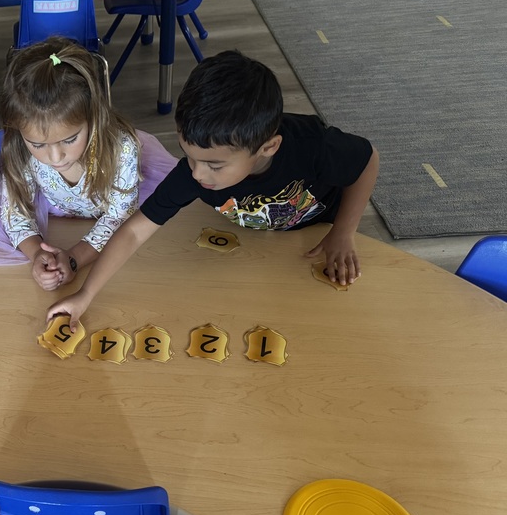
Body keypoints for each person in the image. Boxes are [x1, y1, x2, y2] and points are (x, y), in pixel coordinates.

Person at [48, 49, 380, 329]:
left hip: (319, 234)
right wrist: (85, 295)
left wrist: (344, 232)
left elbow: (368, 160)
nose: (197, 173)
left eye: (214, 165)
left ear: (269, 147)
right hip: (259, 251)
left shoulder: (311, 146)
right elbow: (135, 232)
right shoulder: (192, 172)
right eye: (189, 156)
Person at [0, 36, 177, 290]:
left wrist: (74, 258)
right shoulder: (19, 149)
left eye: (70, 139)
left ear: (94, 115)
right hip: (53, 216)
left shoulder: (121, 150)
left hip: (115, 217)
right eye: (38, 145)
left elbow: (119, 217)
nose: (56, 158)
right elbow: (15, 212)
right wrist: (37, 253)